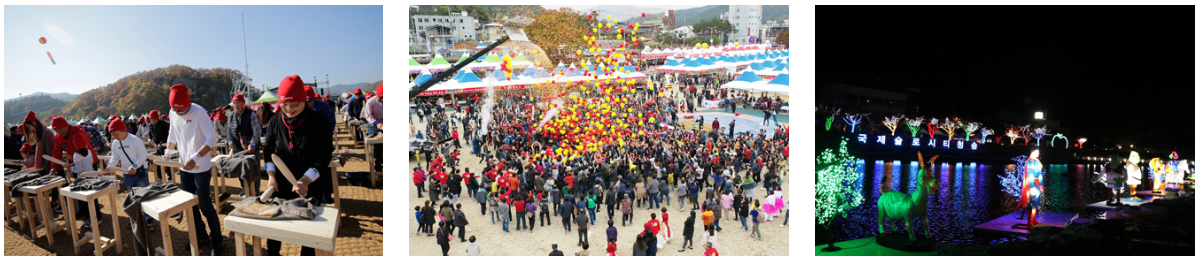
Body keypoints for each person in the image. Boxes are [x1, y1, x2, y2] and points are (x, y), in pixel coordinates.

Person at [261, 76, 333, 256]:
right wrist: (271, 176)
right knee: (274, 227)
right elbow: (268, 151)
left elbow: (324, 157)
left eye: (294, 105)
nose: (289, 110)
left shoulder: (319, 122)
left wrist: (305, 179)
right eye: (284, 105)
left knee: (308, 229)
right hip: (281, 182)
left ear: (305, 101)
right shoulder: (275, 121)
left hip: (310, 184)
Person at [162, 84, 225, 255]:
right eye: (176, 110)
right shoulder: (173, 112)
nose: (179, 113)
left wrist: (195, 157)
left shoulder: (199, 112)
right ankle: (200, 234)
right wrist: (168, 151)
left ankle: (217, 239)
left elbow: (212, 138)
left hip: (200, 167)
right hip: (184, 167)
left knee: (205, 205)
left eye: (181, 110)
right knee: (189, 205)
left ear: (188, 104)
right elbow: (172, 133)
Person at [106, 118, 155, 229]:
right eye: (113, 135)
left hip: (140, 172)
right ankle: (135, 219)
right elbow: (115, 157)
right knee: (131, 197)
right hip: (127, 174)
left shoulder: (135, 140)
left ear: (123, 130)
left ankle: (148, 219)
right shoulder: (115, 143)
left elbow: (143, 156)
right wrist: (109, 166)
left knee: (143, 196)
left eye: (116, 134)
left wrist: (134, 166)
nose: (114, 137)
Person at [224, 94, 262, 197]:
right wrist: (230, 143)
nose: (236, 106)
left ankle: (256, 191)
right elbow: (229, 133)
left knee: (254, 169)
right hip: (238, 148)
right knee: (240, 170)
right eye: (234, 103)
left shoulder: (251, 114)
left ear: (243, 103)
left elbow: (257, 131)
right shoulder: (231, 116)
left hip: (252, 148)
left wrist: (252, 143)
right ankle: (245, 189)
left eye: (238, 103)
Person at [359, 85, 384, 173]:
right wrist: (377, 124)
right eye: (381, 97)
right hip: (374, 124)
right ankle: (377, 165)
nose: (383, 99)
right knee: (376, 146)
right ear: (377, 95)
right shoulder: (370, 102)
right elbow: (368, 116)